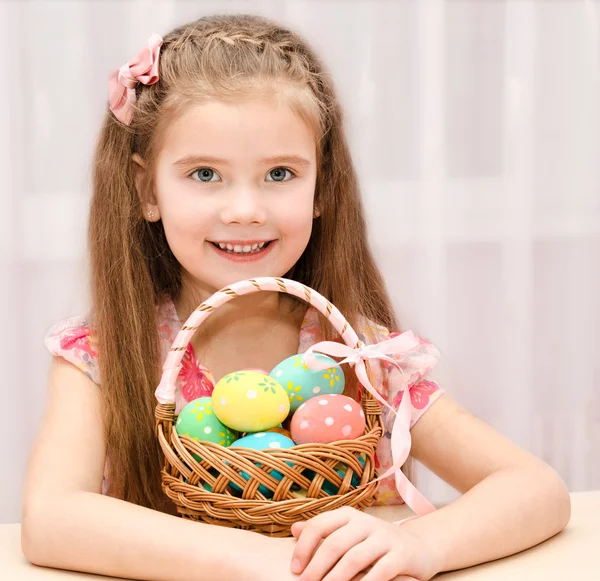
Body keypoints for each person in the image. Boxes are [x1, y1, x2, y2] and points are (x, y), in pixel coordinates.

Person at [21, 13, 570, 581]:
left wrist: (419, 546)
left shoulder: (362, 359)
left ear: (321, 189)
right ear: (146, 189)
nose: (244, 209)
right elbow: (51, 518)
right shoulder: (103, 356)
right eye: (205, 174)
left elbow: (536, 488)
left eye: (280, 174)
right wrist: (270, 562)